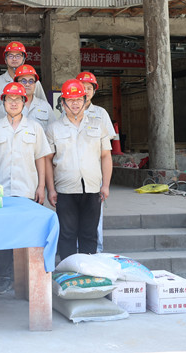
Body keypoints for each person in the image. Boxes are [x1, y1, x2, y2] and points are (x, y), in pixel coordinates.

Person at [0, 82, 52, 294]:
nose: (13, 103)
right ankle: (5, 277)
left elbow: (41, 159)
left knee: (27, 237)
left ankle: (28, 279)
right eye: (9, 99)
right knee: (3, 238)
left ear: (24, 101)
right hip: (1, 191)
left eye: (17, 99)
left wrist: (41, 187)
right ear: (3, 102)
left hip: (27, 191)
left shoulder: (35, 128)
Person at [45, 79, 112, 261]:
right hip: (65, 190)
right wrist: (50, 189)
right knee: (67, 235)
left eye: (78, 99)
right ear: (63, 103)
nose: (75, 103)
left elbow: (106, 156)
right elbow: (48, 161)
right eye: (70, 100)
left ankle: (87, 277)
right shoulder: (53, 129)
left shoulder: (98, 126)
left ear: (85, 100)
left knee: (89, 234)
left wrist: (105, 185)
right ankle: (70, 276)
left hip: (92, 189)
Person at [75, 71, 116, 253]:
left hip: (94, 172)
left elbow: (107, 150)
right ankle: (77, 249)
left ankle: (97, 250)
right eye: (82, 87)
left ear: (94, 91)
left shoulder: (100, 113)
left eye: (89, 88)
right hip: (74, 174)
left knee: (95, 216)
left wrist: (105, 183)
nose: (85, 90)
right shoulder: (68, 110)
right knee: (75, 214)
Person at [0, 41, 47, 121]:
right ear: (5, 60)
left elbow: (43, 104)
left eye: (18, 56)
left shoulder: (34, 83)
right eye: (10, 56)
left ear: (24, 59)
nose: (14, 59)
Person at [13, 65, 55, 129]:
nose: (27, 84)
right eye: (23, 81)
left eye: (31, 81)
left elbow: (53, 132)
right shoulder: (8, 105)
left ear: (35, 84)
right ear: (16, 83)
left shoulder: (45, 106)